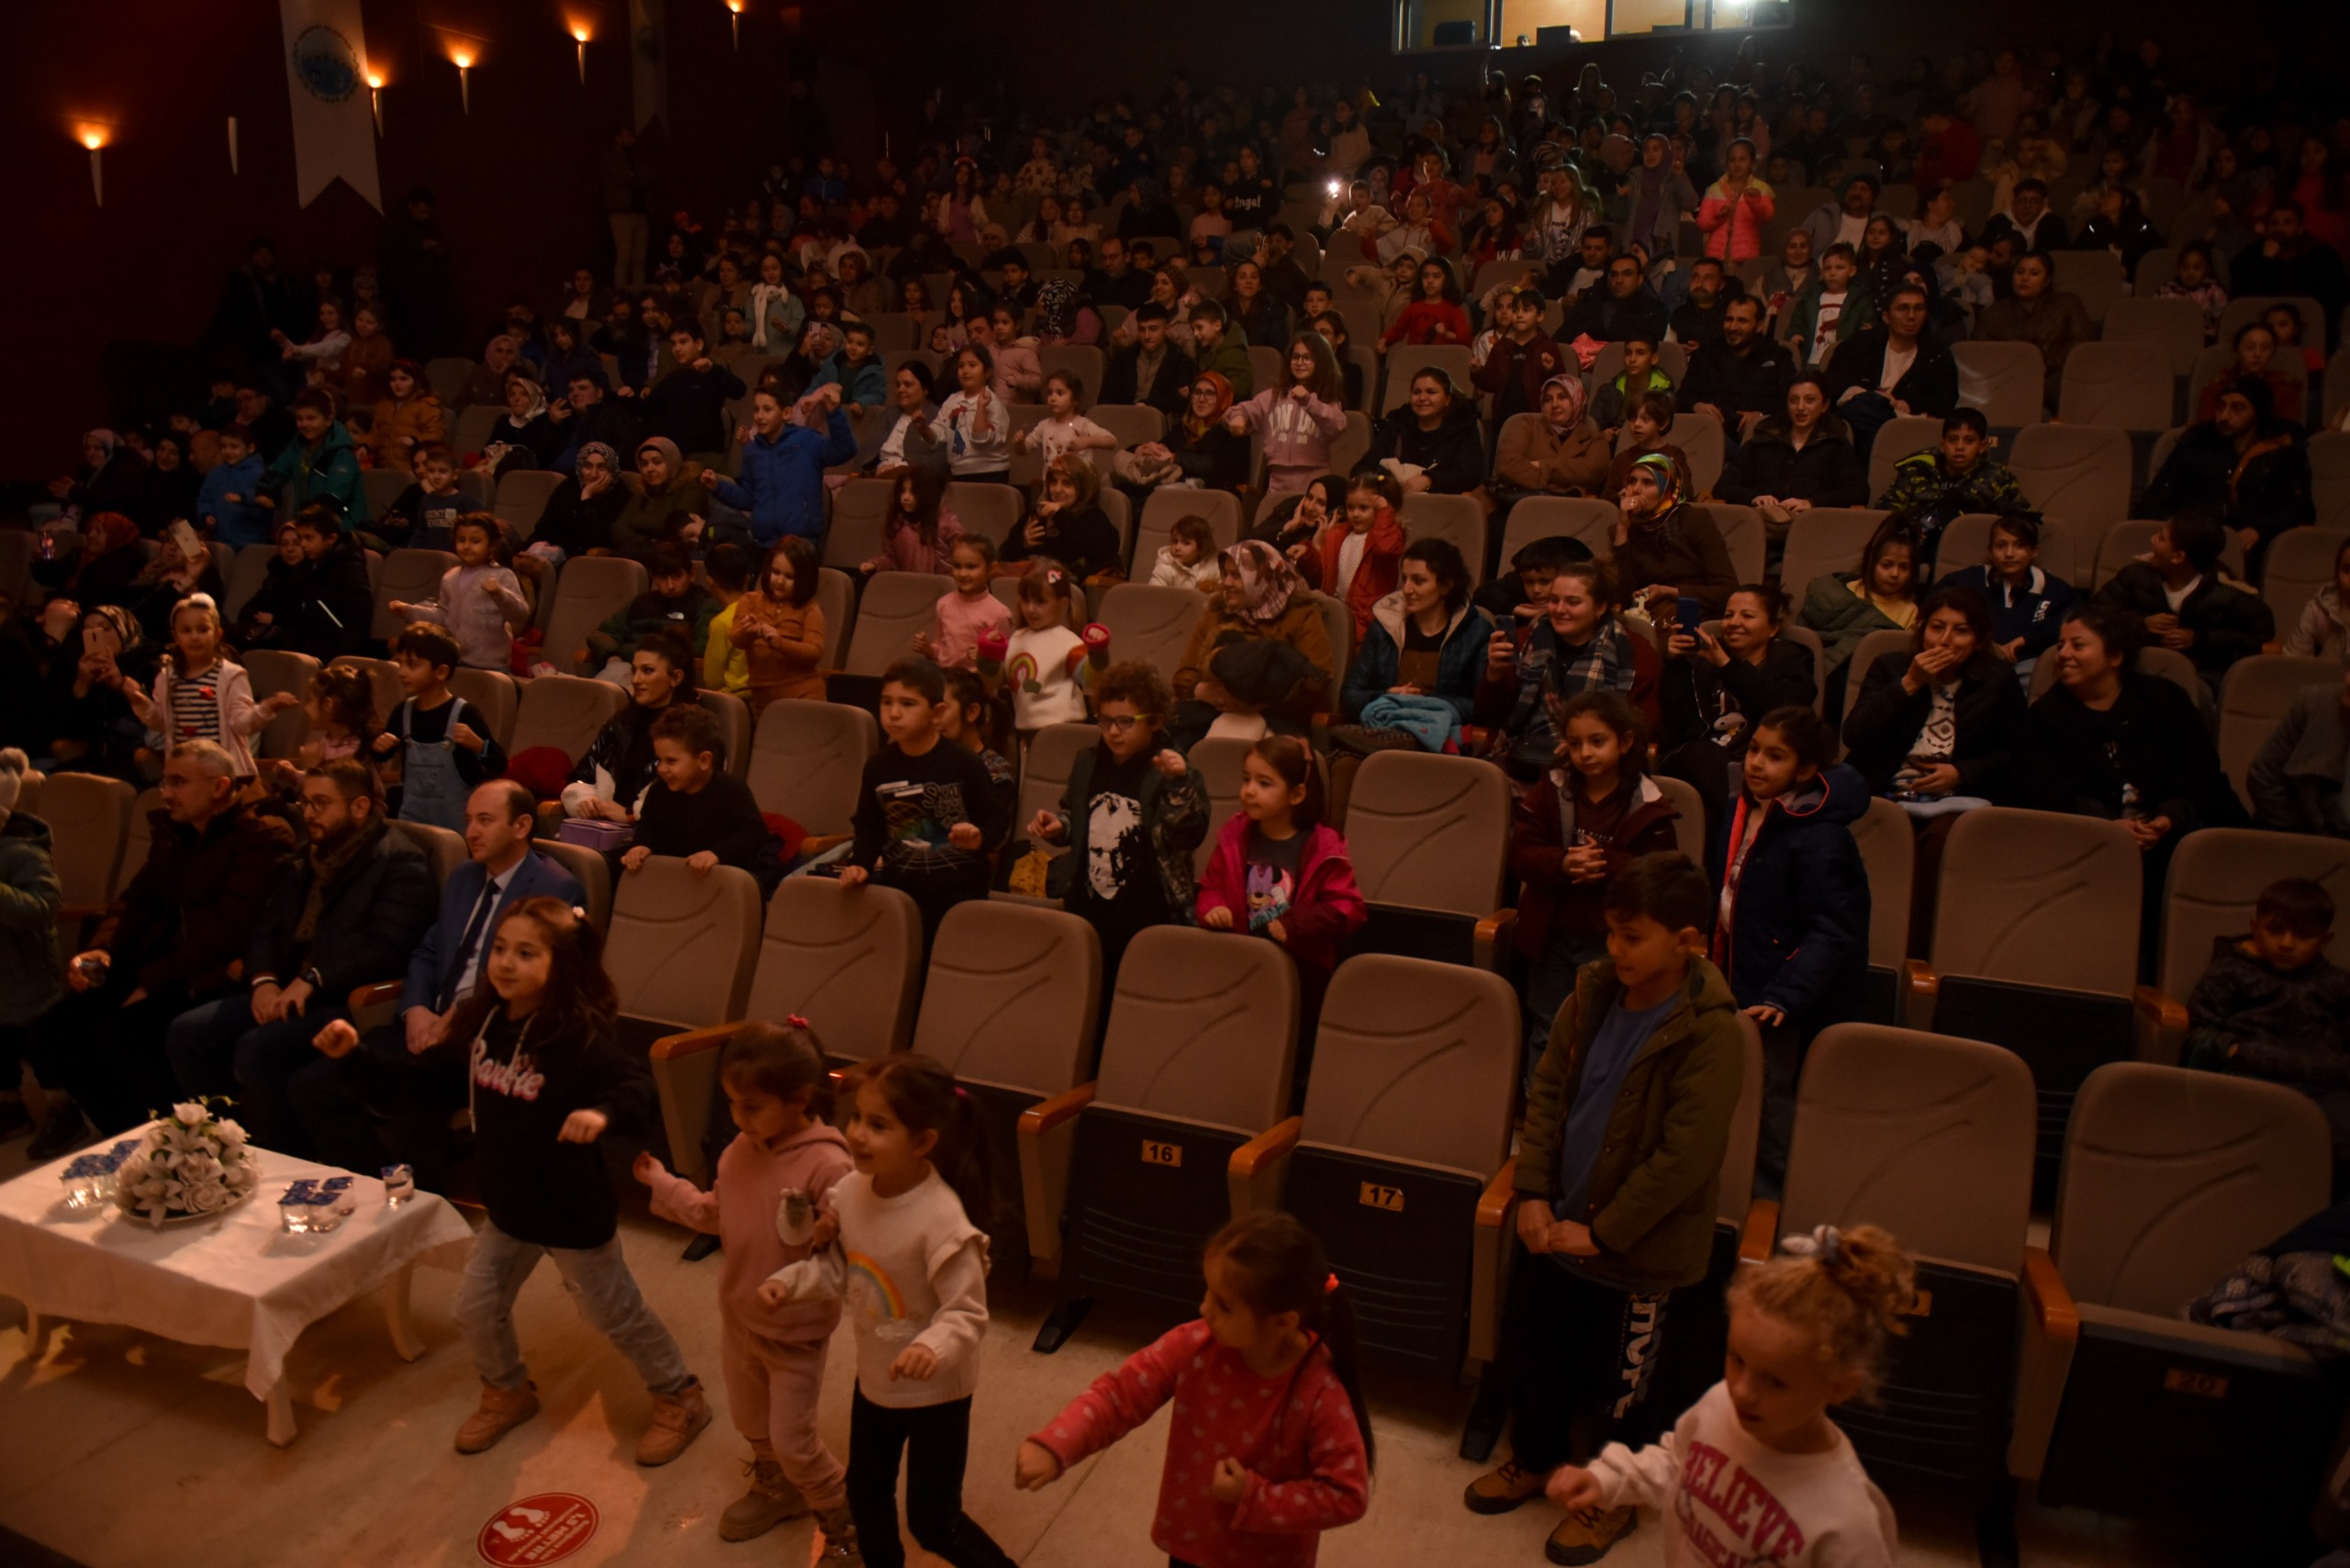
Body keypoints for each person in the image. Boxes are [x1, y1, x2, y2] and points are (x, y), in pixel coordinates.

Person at [1466, 852, 1743, 1564]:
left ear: (1686, 941)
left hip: (1636, 1253)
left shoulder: (1711, 1029)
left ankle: (1613, 1500)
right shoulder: (1590, 991)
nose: (1614, 949)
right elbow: (1550, 1089)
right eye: (1611, 933)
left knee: (1626, 1392)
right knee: (1537, 1357)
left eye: (1633, 936)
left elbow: (1686, 1157)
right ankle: (1534, 1458)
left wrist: (1606, 1230)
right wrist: (1531, 1192)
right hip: (1557, 1227)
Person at [420, 898, 712, 1462]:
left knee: (612, 1313)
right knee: (475, 1309)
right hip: (509, 1208)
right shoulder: (484, 1024)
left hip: (570, 1212)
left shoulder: (573, 1036)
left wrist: (602, 1114)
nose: (505, 963)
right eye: (500, 949)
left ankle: (680, 1393)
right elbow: (427, 1083)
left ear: (562, 965)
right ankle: (506, 1391)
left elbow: (634, 1086)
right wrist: (354, 1060)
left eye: (526, 953)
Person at [757, 1055, 1013, 1568]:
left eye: (879, 1125)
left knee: (933, 1521)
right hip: (876, 1381)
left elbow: (967, 1313)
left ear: (922, 1143)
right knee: (866, 1496)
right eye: (856, 1117)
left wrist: (929, 1345)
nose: (856, 1135)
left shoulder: (941, 1221)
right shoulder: (850, 1194)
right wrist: (791, 1282)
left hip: (938, 1392)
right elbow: (844, 1273)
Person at [1014, 1210, 1373, 1566]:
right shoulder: (1194, 1345)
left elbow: (1347, 1494)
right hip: (1192, 1548)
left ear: (1281, 1324)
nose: (1204, 1308)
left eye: (1223, 1304)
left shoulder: (1319, 1393)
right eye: (1208, 1291)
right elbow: (1119, 1394)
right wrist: (1058, 1443)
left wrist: (1255, 1498)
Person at [1544, 1224, 1909, 1567]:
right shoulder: (1721, 1404)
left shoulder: (1850, 1524)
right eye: (1737, 1360)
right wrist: (1607, 1480)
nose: (1743, 1391)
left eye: (1775, 1382)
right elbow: (1678, 1463)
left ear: (1840, 1387)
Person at [291, 780, 581, 1191]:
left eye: (485, 820)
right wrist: (416, 1010)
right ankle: (379, 1188)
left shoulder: (555, 886)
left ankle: (424, 1207)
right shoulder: (464, 877)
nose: (472, 832)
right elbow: (429, 951)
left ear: (521, 826)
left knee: (414, 1101)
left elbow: (539, 984)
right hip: (428, 1025)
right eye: (468, 821)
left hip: (488, 1037)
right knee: (314, 1084)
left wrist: (460, 1019)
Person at [633, 1023, 859, 1547]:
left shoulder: (829, 1165)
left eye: (752, 1106)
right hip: (739, 1318)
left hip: (795, 1331)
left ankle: (843, 1524)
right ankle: (777, 1486)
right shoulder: (740, 1150)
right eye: (732, 1103)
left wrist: (795, 1285)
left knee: (795, 1441)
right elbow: (718, 1214)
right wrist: (663, 1183)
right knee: (751, 1420)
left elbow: (844, 1261)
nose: (738, 1117)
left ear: (799, 1099)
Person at [27, 742, 294, 1149]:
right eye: (166, 780)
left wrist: (151, 983)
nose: (165, 792)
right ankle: (131, 1138)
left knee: (119, 1034)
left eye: (178, 782)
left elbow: (226, 932)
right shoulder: (177, 832)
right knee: (51, 1031)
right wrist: (104, 949)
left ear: (221, 786)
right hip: (158, 963)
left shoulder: (262, 835)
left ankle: (181, 1144)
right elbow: (137, 899)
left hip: (214, 973)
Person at [162, 758, 434, 1153]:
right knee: (186, 1032)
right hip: (288, 987)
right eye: (305, 803)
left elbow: (386, 947)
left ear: (359, 807)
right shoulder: (306, 856)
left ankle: (292, 1157)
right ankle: (227, 1149)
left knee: (257, 1048)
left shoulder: (399, 862)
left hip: (345, 1000)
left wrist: (312, 979)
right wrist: (264, 979)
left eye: (321, 804)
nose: (308, 814)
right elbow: (267, 926)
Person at [2017, 605, 2244, 958]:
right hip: (2087, 839)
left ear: (2116, 656)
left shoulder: (2164, 699)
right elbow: (2044, 791)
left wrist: (2170, 815)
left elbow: (2199, 769)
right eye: (2061, 646)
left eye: (2077, 646)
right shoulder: (2046, 715)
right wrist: (2111, 826)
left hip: (2174, 829)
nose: (2063, 655)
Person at [1709, 708, 1871, 1182]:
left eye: (1774, 756)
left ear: (1804, 772)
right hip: (1737, 972)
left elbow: (1834, 929)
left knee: (1769, 1102)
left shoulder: (1820, 837)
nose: (1756, 763)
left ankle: (1771, 1204)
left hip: (1780, 996)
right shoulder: (1742, 806)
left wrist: (1786, 994)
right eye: (1754, 749)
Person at [1029, 661, 1206, 990]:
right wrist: (1059, 827)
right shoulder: (1087, 762)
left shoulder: (1171, 771)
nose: (1113, 731)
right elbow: (1077, 817)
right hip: (1090, 906)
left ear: (1154, 721)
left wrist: (1180, 784)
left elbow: (1189, 833)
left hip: (1146, 911)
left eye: (1126, 722)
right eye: (1106, 721)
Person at [1195, 734, 1367, 1053]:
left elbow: (1348, 908)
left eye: (1264, 783)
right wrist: (1213, 908)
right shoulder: (1235, 835)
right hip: (1242, 969)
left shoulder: (1323, 846)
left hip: (1301, 978)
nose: (1249, 790)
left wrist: (1295, 925)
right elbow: (1211, 887)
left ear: (1297, 794)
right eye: (1246, 779)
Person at [2184, 879, 2350, 1187]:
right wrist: (2231, 1049)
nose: (2287, 943)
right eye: (2275, 931)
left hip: (2324, 1083)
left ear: (2325, 941)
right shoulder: (2232, 971)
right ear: (2255, 927)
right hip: (2252, 1074)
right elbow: (2198, 1028)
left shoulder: (2339, 984)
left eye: (2303, 935)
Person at [839, 659, 1013, 946]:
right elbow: (869, 826)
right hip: (900, 893)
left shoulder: (963, 763)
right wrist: (861, 864)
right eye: (887, 702)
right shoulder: (878, 767)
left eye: (908, 704)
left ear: (937, 712)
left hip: (960, 895)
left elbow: (995, 819)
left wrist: (979, 837)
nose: (894, 714)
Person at [1842, 585, 2027, 812]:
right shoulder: (1889, 666)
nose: (1944, 640)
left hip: (1956, 800)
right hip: (1882, 792)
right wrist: (1909, 683)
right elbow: (1854, 736)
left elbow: (2018, 752)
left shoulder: (1998, 680)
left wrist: (1963, 772)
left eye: (1961, 631)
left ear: (1978, 641)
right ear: (1922, 632)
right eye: (1937, 628)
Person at [1480, 560, 1663, 779]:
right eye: (1554, 600)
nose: (1559, 610)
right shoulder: (1523, 641)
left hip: (1598, 765)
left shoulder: (1635, 653)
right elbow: (1488, 718)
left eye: (1573, 602)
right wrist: (1495, 674)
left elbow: (1641, 728)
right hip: (1525, 758)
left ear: (1600, 607)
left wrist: (1580, 744)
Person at [2141, 379, 2314, 570]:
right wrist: (2180, 532)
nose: (2224, 416)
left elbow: (2300, 509)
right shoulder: (2196, 444)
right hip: (2192, 545)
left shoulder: (2281, 450)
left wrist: (2259, 530)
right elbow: (2153, 501)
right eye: (2221, 406)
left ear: (2258, 413)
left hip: (2257, 550)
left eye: (2237, 408)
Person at [2092, 512, 2274, 689]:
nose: (2153, 540)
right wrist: (2141, 623)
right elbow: (2095, 613)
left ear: (2178, 556)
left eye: (2162, 538)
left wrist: (2201, 639)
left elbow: (2259, 638)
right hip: (2137, 668)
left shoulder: (2227, 594)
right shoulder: (2136, 576)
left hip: (2200, 676)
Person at [126, 593, 292, 780]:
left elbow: (242, 723)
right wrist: (138, 699)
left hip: (221, 772)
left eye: (203, 629)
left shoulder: (231, 675)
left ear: (217, 634)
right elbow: (161, 722)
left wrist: (268, 707)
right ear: (176, 636)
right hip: (184, 772)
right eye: (186, 631)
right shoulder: (168, 677)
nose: (194, 637)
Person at [621, 704, 781, 895]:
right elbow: (648, 826)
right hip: (678, 881)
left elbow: (754, 834)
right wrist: (641, 845)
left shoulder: (730, 790)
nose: (661, 769)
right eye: (659, 760)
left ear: (704, 760)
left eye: (671, 761)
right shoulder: (658, 790)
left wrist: (717, 855)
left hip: (723, 884)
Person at [1173, 542, 1337, 723]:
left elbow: (1316, 683)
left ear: (1263, 577)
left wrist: (1255, 703)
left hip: (1276, 718)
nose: (1226, 583)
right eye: (1225, 574)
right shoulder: (1217, 612)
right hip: (1211, 711)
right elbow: (1183, 674)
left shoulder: (1301, 615)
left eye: (1237, 575)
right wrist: (1202, 690)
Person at [373, 622, 509, 830]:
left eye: (412, 665)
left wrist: (479, 745)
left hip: (456, 827)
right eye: (400, 663)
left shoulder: (464, 713)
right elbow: (383, 755)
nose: (401, 672)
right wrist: (380, 748)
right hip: (412, 821)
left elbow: (499, 764)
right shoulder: (403, 712)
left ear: (441, 672)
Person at [1712, 373, 1867, 534]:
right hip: (1761, 529)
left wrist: (1812, 503)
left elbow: (1858, 492)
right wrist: (1755, 497)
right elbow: (1723, 487)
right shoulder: (1764, 437)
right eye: (1793, 400)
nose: (1800, 407)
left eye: (1809, 400)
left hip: (1815, 531)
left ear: (1824, 405)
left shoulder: (1836, 444)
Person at [1933, 512, 2079, 684]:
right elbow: (1933, 613)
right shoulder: (1962, 582)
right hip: (1973, 661)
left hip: (2027, 665)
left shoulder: (2054, 589)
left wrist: (2026, 640)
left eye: (2020, 545)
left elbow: (2074, 620)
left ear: (2034, 552)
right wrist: (1986, 645)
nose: (2009, 554)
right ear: (1990, 551)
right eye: (2001, 546)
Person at [1871, 409, 2031, 566]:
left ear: (1982, 446)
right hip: (1916, 547)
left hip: (1971, 551)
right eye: (1953, 440)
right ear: (1943, 444)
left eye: (1969, 441)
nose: (1959, 447)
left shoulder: (1997, 476)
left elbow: (2016, 519)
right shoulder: (1918, 469)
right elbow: (1888, 507)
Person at [560, 635, 692, 822]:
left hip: (653, 836)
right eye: (634, 671)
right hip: (604, 825)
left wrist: (630, 815)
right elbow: (582, 776)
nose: (637, 680)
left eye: (648, 671)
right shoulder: (621, 721)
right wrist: (586, 801)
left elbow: (688, 799)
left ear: (676, 678)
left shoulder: (691, 727)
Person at [703, 386, 856, 549]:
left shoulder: (806, 440)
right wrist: (718, 486)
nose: (759, 416)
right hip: (764, 544)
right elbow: (749, 498)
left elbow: (845, 449)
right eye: (756, 410)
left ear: (786, 413)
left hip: (800, 544)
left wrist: (834, 413)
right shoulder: (752, 451)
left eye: (767, 409)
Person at [1821, 282, 1959, 460]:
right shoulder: (1860, 344)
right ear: (1886, 316)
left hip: (1911, 428)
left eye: (1919, 309)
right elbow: (1834, 383)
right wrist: (1878, 400)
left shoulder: (1938, 356)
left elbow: (1946, 403)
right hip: (1859, 418)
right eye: (1903, 308)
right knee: (1863, 407)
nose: (1911, 316)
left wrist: (1906, 405)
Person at [0, 749, 60, 1145]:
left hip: (25, 973)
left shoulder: (23, 852)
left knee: (39, 1045)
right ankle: (9, 1108)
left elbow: (43, 907)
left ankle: (61, 1107)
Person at [1797, 515, 1922, 697]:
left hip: (1869, 685)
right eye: (1886, 565)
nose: (1895, 574)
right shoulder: (1842, 591)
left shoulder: (1911, 612)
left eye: (1904, 567)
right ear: (1872, 563)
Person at [1225, 335, 1349, 497]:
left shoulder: (1327, 399)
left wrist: (1308, 401)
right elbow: (1242, 410)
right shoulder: (1275, 396)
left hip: (1314, 486)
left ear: (1320, 363)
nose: (1299, 362)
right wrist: (1238, 417)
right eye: (1296, 357)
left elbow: (1337, 424)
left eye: (1307, 358)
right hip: (1277, 483)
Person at [1972, 254, 2092, 418]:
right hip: (2008, 381)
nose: (2025, 278)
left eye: (2034, 273)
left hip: (2055, 378)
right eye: (2020, 272)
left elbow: (2080, 346)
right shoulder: (1993, 314)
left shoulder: (2069, 304)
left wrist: (2042, 364)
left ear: (2047, 281)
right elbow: (1979, 355)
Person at [1679, 297, 1794, 448]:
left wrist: (1760, 416)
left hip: (1761, 438)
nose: (1733, 327)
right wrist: (1697, 405)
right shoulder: (1706, 354)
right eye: (1729, 319)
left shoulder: (1778, 356)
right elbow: (1683, 395)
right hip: (1711, 436)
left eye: (1742, 321)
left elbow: (1792, 401)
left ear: (1759, 325)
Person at [2247, 667, 2350, 836]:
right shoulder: (2316, 704)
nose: (2348, 681)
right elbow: (2263, 779)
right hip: (2301, 840)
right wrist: (2304, 843)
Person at [731, 538, 826, 717]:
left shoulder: (810, 609)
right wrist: (748, 632)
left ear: (805, 580)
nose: (780, 581)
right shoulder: (749, 600)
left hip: (804, 699)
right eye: (776, 572)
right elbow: (736, 640)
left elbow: (815, 652)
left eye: (789, 577)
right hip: (762, 703)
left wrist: (779, 643)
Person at [1492, 374, 1610, 508]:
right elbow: (1506, 465)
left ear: (1577, 399)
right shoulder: (1525, 424)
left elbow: (1591, 473)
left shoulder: (1595, 437)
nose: (1554, 404)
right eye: (1547, 399)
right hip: (1513, 504)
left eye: (1562, 397)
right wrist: (1563, 483)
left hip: (1570, 510)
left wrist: (1541, 466)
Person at [259, 389, 368, 530]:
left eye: (311, 418)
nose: (304, 424)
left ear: (328, 420)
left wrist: (305, 515)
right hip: (308, 523)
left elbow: (335, 496)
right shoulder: (298, 445)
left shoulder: (342, 452)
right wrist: (264, 490)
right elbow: (279, 469)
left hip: (342, 527)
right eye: (300, 419)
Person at [1369, 370, 1487, 497]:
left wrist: (1429, 480)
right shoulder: (1398, 423)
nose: (1422, 398)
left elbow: (1469, 475)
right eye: (1416, 392)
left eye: (1431, 392)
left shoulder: (1464, 427)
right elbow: (1364, 466)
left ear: (1448, 399)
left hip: (1443, 506)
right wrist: (1386, 481)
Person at [1472, 285, 1568, 429]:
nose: (1519, 315)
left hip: (1536, 418)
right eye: (1515, 310)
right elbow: (1490, 384)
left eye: (1526, 310)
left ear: (1540, 316)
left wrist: (1550, 370)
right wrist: (1478, 372)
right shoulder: (1502, 346)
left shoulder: (1547, 346)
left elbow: (1560, 385)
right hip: (1503, 418)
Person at [1099, 301, 1196, 419]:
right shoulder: (1124, 358)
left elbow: (1179, 401)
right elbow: (1106, 397)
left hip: (1158, 422)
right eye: (1141, 329)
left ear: (1167, 328)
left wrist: (1147, 405)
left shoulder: (1181, 361)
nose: (1147, 336)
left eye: (1153, 329)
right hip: (1122, 418)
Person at [1558, 252, 1670, 345]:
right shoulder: (1592, 301)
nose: (1619, 280)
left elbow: (1649, 348)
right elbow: (1562, 337)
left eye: (1627, 274)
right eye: (1614, 275)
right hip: (1582, 363)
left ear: (1639, 279)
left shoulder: (1652, 309)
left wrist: (1606, 355)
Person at [1695, 137, 1774, 262]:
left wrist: (1754, 202)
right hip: (1716, 256)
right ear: (1726, 163)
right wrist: (1718, 218)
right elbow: (1702, 224)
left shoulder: (1761, 188)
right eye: (1732, 160)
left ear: (1752, 163)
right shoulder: (1714, 189)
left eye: (1742, 159)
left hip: (1747, 256)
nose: (1737, 164)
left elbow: (1767, 217)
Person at [2284, 537, 2350, 664]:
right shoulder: (2317, 612)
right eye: (2347, 570)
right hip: (2321, 682)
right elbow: (2293, 664)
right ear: (2337, 574)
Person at [1148, 513, 1223, 591]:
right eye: (1175, 541)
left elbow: (1222, 595)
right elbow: (1154, 596)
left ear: (1202, 547)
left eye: (1186, 543)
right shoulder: (1165, 568)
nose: (1177, 548)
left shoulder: (1214, 567)